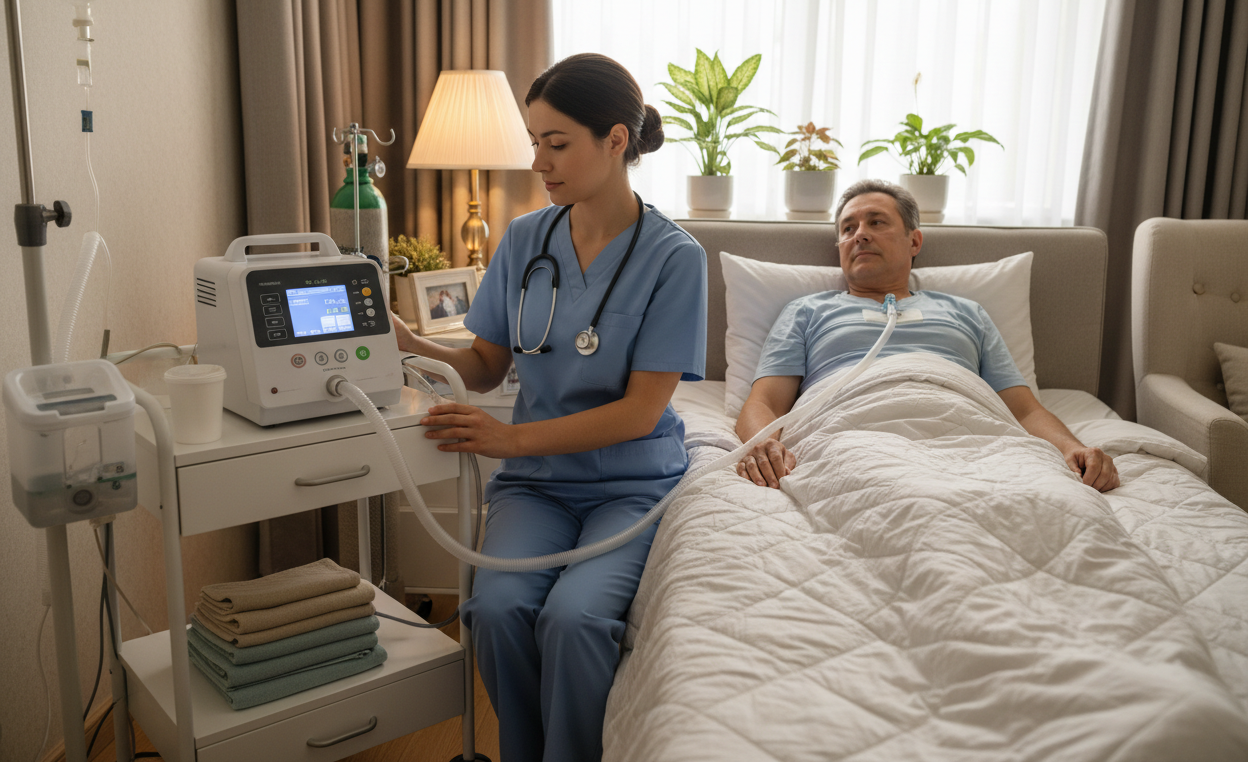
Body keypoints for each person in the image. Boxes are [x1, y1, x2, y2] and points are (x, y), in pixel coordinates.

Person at [390, 52, 708, 762]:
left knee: (574, 618)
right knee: (497, 611)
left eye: (556, 143)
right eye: (535, 141)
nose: (538, 160)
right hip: (539, 490)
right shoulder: (526, 239)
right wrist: (411, 343)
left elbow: (638, 414)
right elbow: (483, 368)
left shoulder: (674, 258)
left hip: (629, 484)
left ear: (616, 140)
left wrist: (508, 440)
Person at [734, 178, 1120, 493]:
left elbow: (1024, 410)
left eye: (876, 222)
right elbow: (763, 402)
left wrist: (1073, 449)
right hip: (850, 434)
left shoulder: (968, 312)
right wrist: (762, 444)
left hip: (970, 436)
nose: (859, 235)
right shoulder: (807, 311)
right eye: (847, 229)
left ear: (914, 241)